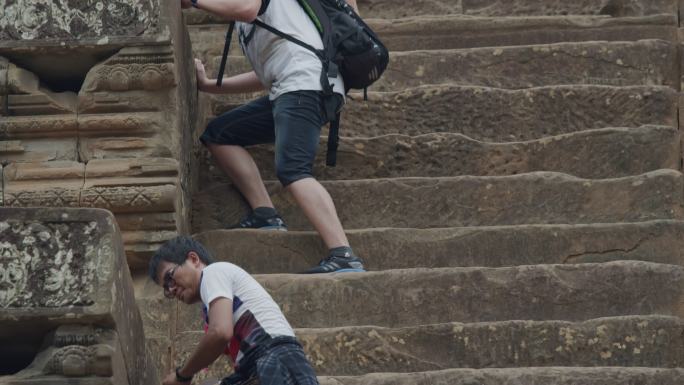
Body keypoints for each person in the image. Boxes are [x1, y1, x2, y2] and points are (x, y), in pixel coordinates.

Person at [182, 0, 365, 274]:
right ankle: (266, 214)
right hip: (290, 86)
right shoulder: (254, 23)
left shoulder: (249, 9)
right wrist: (210, 86)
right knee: (219, 134)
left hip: (306, 84)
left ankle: (343, 254)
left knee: (293, 169)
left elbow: (246, 9)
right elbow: (265, 72)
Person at [150, 236, 319, 385]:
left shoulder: (213, 272)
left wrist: (183, 375)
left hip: (275, 358)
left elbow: (220, 333)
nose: (170, 290)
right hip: (258, 366)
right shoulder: (212, 306)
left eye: (169, 277)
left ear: (194, 259)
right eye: (166, 288)